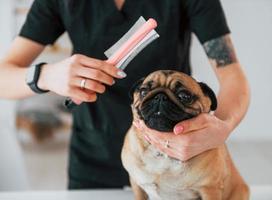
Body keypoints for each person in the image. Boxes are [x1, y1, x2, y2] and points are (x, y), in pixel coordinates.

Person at [0, 0, 250, 189]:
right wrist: (45, 75)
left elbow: (232, 75)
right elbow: (3, 78)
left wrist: (221, 127)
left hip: (177, 160)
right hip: (93, 157)